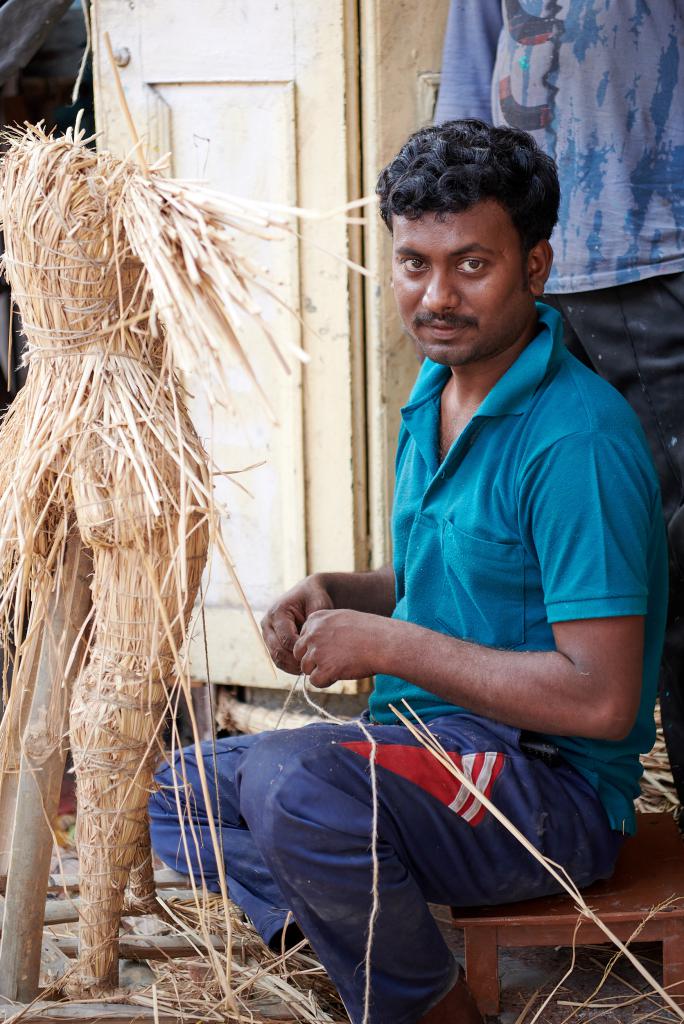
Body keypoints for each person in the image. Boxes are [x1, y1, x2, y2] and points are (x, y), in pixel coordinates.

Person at [149, 121, 667, 1024]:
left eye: (472, 265)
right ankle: (354, 922)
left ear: (536, 268)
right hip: (427, 745)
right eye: (413, 263)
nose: (436, 296)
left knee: (298, 788)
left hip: (545, 789)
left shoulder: (573, 441)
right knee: (176, 792)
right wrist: (347, 594)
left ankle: (427, 1009)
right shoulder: (436, 393)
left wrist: (390, 643)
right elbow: (464, 572)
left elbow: (601, 703)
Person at [435, 0, 684, 818]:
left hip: (654, 256)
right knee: (526, 555)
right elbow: (471, 84)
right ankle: (527, 832)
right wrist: (459, 246)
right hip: (527, 272)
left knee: (670, 574)